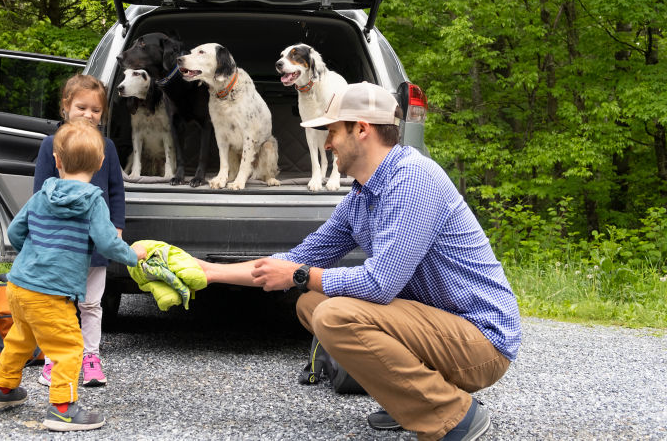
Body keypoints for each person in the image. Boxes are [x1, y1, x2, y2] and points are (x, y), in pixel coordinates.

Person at [198, 82, 521, 441]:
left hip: (481, 341)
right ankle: (410, 401)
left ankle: (452, 416)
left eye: (333, 131)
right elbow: (292, 261)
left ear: (362, 129)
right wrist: (208, 272)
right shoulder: (361, 196)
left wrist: (301, 274)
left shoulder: (413, 179)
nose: (327, 143)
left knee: (334, 316)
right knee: (312, 303)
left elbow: (378, 284)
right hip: (437, 326)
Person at [0, 119, 147, 431]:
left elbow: (16, 232)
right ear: (100, 163)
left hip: (19, 286)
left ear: (56, 161)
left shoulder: (43, 194)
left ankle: (1, 389)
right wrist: (132, 256)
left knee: (21, 338)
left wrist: (34, 253)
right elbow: (108, 242)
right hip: (50, 294)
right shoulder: (93, 200)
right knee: (69, 346)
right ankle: (62, 407)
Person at [33, 74, 125, 388]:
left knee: (90, 304)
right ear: (66, 108)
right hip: (59, 245)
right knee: (58, 304)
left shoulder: (107, 147)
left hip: (96, 244)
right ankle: (54, 360)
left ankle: (90, 358)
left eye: (95, 110)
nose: (88, 114)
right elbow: (40, 194)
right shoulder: (51, 145)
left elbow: (115, 190)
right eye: (81, 107)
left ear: (103, 115)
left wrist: (117, 227)